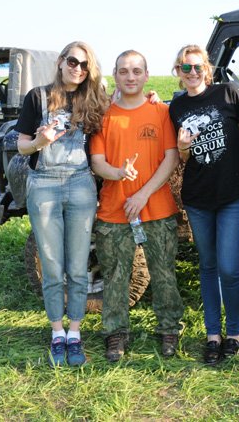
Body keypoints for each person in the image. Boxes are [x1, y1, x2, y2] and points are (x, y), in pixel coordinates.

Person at [15, 41, 109, 367]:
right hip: (44, 185)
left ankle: (75, 333)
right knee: (52, 266)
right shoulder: (37, 97)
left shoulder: (93, 99)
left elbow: (125, 105)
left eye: (84, 65)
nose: (77, 69)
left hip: (81, 184)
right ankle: (57, 333)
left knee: (78, 267)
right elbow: (21, 145)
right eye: (72, 62)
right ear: (60, 61)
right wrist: (39, 141)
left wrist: (152, 98)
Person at [90, 49, 184, 362]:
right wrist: (118, 173)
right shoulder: (104, 116)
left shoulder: (160, 112)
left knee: (164, 272)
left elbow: (171, 157)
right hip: (114, 211)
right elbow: (97, 162)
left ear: (146, 75)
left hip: (157, 208)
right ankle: (115, 333)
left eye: (136, 71)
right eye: (124, 71)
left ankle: (169, 329)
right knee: (116, 275)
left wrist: (143, 194)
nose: (130, 77)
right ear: (115, 76)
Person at [168, 44, 239, 365]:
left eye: (197, 67)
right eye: (185, 67)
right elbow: (182, 158)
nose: (192, 73)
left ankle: (234, 333)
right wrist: (182, 147)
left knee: (229, 268)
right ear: (178, 72)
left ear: (207, 69)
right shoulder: (176, 107)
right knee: (208, 266)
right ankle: (213, 334)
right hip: (199, 198)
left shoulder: (227, 94)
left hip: (233, 195)